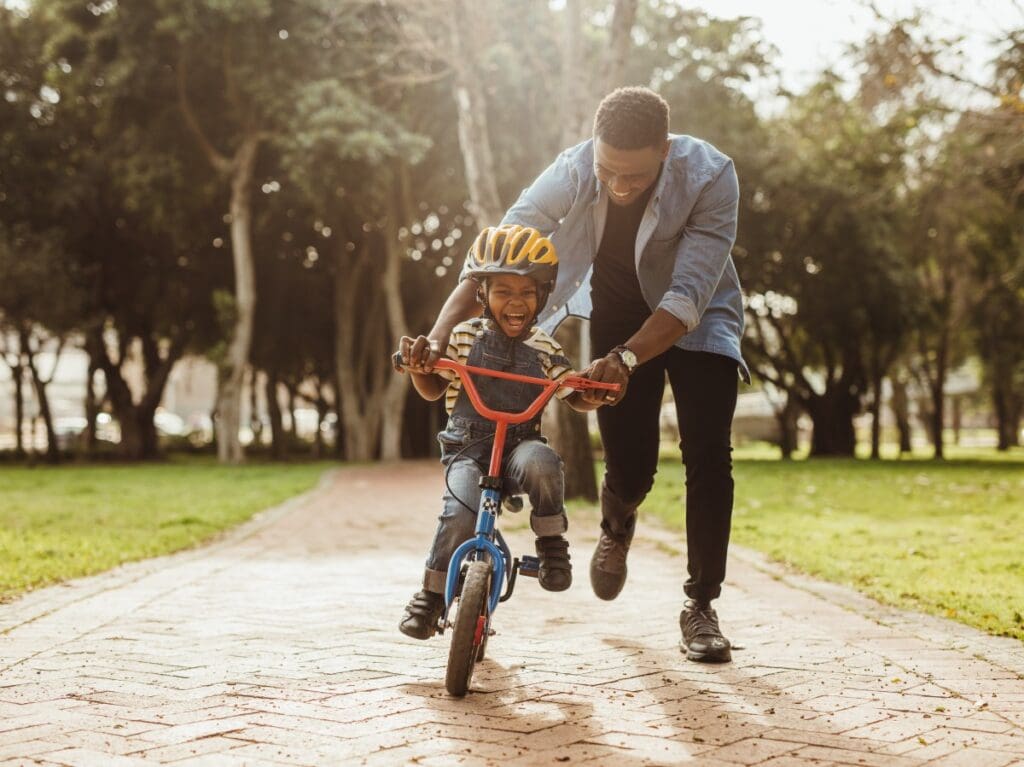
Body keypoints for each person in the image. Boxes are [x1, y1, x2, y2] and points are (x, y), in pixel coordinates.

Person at [412, 87, 748, 663]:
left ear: (664, 150)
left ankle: (701, 605)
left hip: (698, 318)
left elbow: (688, 294)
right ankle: (618, 521)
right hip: (618, 313)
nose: (618, 186)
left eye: (634, 176)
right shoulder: (572, 168)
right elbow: (501, 250)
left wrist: (627, 360)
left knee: (709, 453)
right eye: (607, 170)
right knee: (633, 465)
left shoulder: (712, 176)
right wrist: (440, 332)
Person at [396, 225, 605, 641]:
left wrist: (593, 394)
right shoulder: (461, 337)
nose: (516, 302)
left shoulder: (546, 347)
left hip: (518, 448)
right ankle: (431, 595)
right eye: (503, 290)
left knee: (543, 463)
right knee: (459, 512)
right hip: (467, 449)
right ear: (482, 295)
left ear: (542, 297)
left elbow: (571, 393)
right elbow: (434, 387)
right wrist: (421, 369)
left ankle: (550, 545)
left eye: (528, 292)